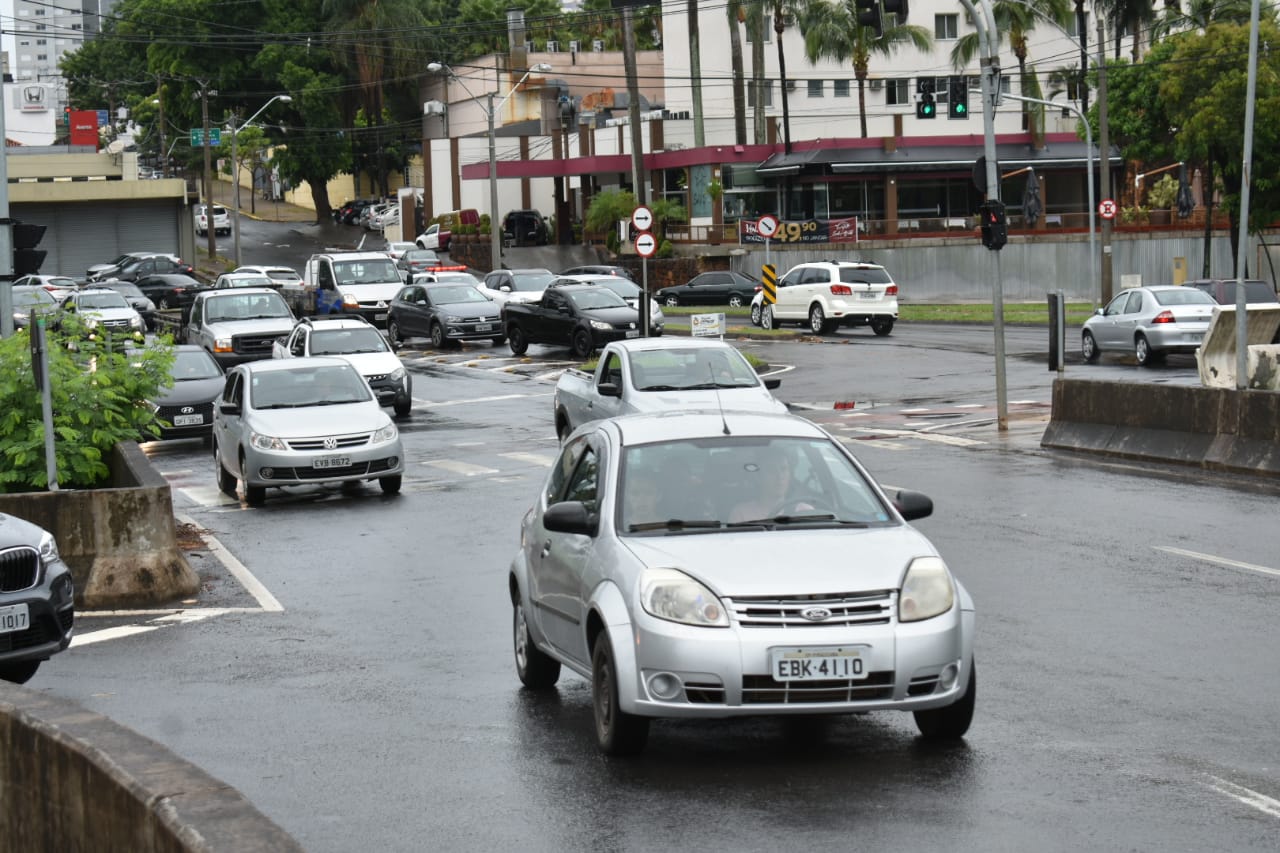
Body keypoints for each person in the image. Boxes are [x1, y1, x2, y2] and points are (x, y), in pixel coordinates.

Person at [728, 451, 815, 523]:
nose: (780, 476)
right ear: (759, 477)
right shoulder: (741, 514)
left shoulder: (805, 512)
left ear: (790, 474)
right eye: (771, 470)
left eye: (783, 469)